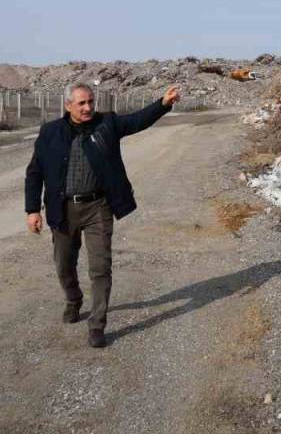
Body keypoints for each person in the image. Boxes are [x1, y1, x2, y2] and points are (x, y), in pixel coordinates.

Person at [24, 82, 180, 347]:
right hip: (62, 209)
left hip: (98, 207)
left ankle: (97, 325)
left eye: (91, 102)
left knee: (100, 268)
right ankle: (74, 300)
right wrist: (31, 210)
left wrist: (162, 104)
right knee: (64, 265)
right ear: (68, 105)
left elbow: (137, 120)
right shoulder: (50, 132)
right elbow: (35, 172)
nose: (88, 108)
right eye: (81, 103)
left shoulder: (107, 124)